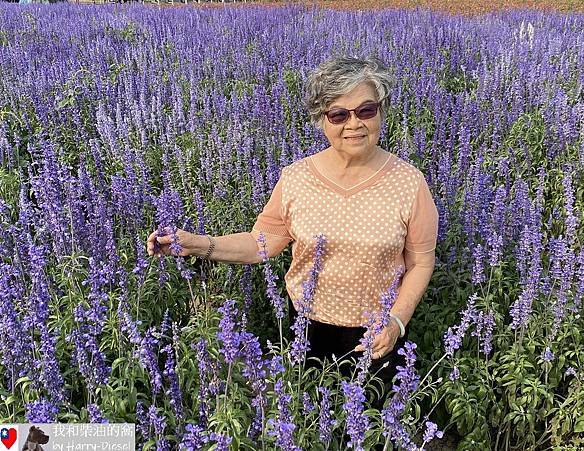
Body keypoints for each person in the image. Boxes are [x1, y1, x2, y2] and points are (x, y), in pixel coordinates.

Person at [146, 56, 438, 407]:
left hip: (376, 335)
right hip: (306, 328)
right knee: (306, 422)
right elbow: (260, 244)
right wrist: (194, 244)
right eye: (339, 114)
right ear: (321, 120)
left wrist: (396, 322)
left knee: (369, 426)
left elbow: (421, 262)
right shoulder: (297, 178)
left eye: (366, 110)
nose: (354, 124)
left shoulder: (409, 183)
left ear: (382, 112)